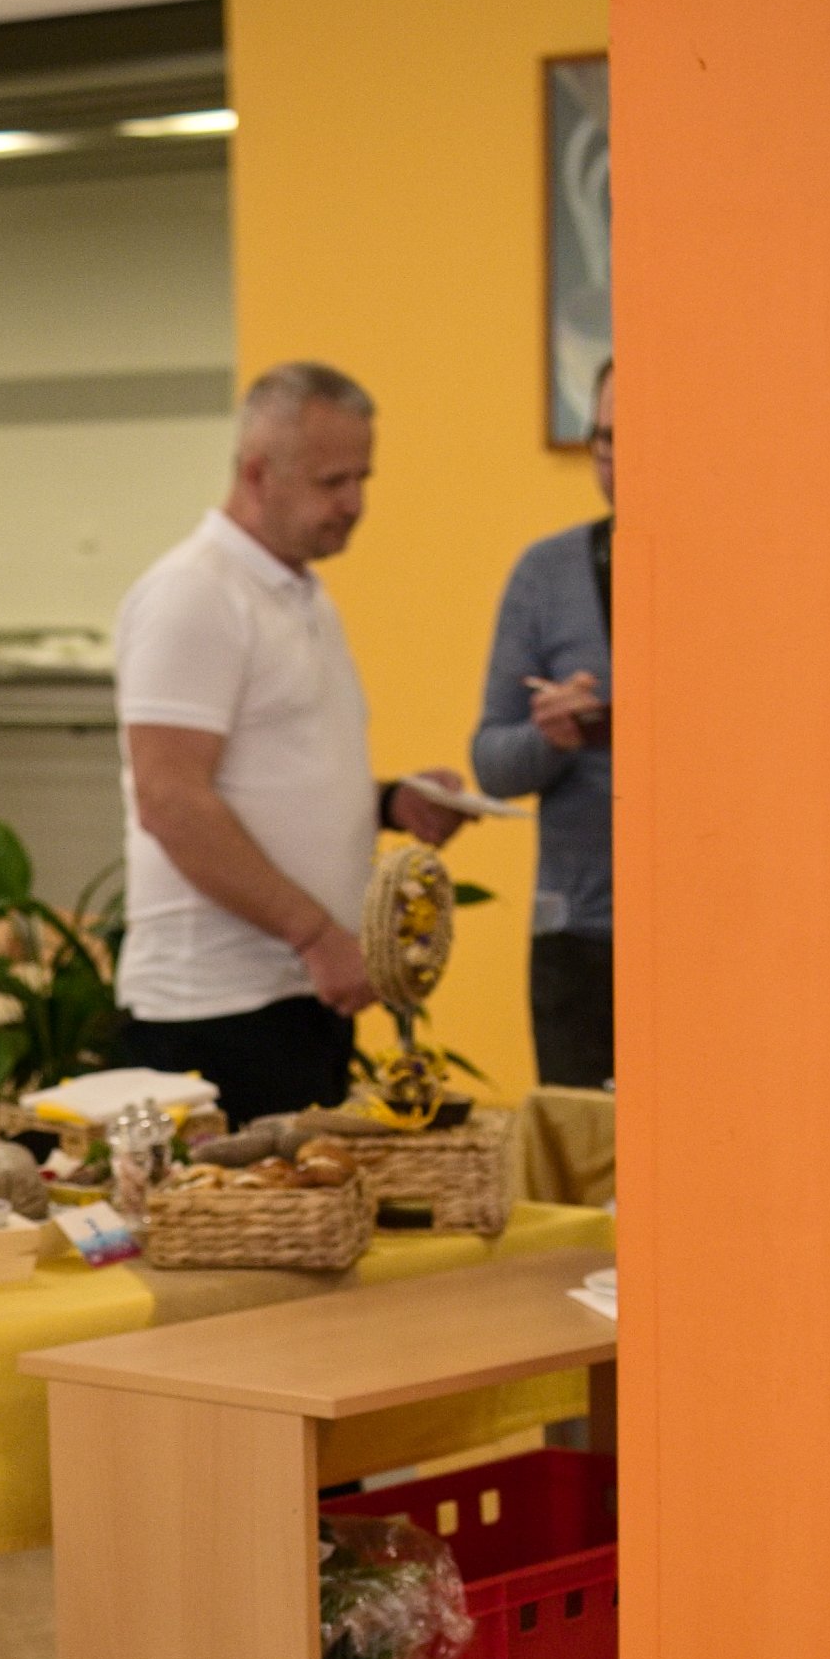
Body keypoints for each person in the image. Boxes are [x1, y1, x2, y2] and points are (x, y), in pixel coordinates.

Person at [108, 361, 471, 1131]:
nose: (354, 503)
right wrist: (313, 934)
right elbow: (170, 800)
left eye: (362, 479)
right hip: (217, 1009)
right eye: (332, 482)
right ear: (255, 473)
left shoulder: (300, 594)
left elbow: (274, 777)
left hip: (296, 993)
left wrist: (388, 802)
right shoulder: (195, 593)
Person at [472, 354, 615, 1084]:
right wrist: (549, 739)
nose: (619, 462)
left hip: (716, 922)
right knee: (581, 1142)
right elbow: (490, 763)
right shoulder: (546, 573)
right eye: (606, 441)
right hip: (578, 932)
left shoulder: (739, 567)